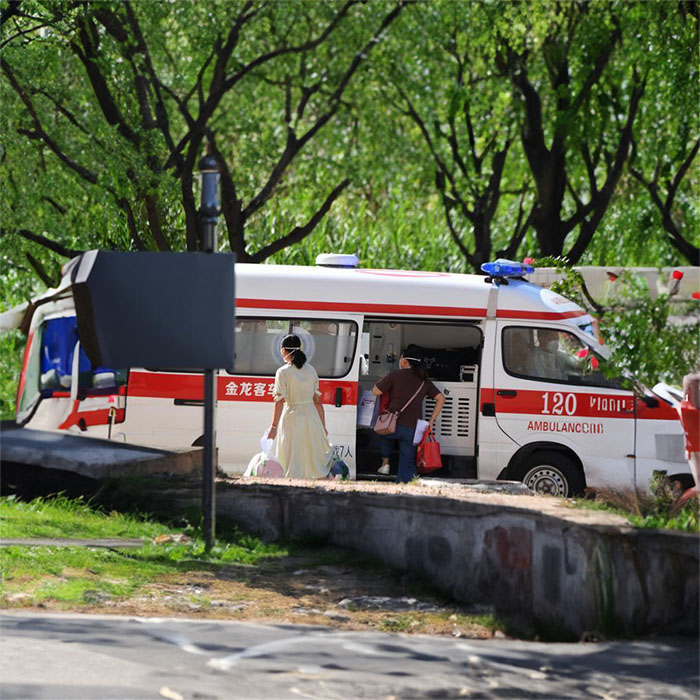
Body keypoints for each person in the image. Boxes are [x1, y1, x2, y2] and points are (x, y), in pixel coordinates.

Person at [372, 347, 445, 483]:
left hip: (392, 424)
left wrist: (381, 381)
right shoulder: (425, 381)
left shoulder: (395, 375)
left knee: (381, 433)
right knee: (408, 461)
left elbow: (375, 391)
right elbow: (441, 398)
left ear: (405, 361)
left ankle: (385, 462)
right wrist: (431, 420)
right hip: (412, 428)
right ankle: (407, 486)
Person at [267, 334, 332, 479]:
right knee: (309, 454)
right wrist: (323, 426)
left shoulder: (282, 372)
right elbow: (317, 401)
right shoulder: (311, 370)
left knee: (291, 455)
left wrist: (274, 427)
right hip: (311, 418)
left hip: (292, 417)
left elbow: (279, 401)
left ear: (283, 350)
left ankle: (292, 486)